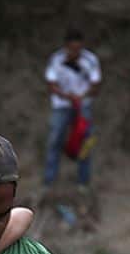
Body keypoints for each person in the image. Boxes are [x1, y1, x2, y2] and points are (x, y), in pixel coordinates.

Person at [43, 28, 102, 190]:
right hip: (61, 106)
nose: (76, 52)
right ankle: (49, 182)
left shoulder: (90, 60)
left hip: (83, 105)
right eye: (73, 49)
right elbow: (51, 84)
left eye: (78, 49)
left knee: (86, 141)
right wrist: (65, 95)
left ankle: (83, 182)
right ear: (66, 46)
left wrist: (81, 97)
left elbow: (96, 85)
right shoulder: (56, 59)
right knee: (55, 140)